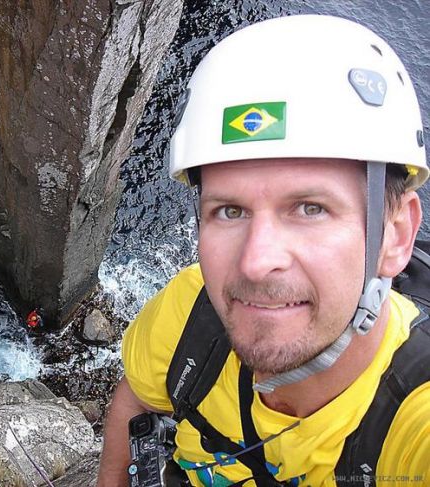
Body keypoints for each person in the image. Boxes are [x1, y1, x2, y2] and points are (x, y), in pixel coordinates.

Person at [97, 15, 430, 486]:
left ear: (395, 235)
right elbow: (135, 400)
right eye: (230, 211)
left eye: (310, 208)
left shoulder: (413, 419)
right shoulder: (190, 311)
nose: (255, 261)